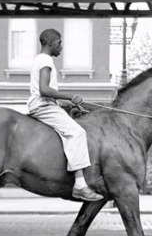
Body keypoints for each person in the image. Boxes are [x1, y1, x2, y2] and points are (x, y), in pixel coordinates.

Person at [27, 28, 103, 202]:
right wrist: (71, 96)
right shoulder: (45, 60)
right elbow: (44, 90)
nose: (61, 47)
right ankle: (80, 185)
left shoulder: (40, 59)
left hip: (45, 104)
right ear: (49, 42)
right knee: (77, 133)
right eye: (59, 43)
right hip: (43, 106)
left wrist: (69, 104)